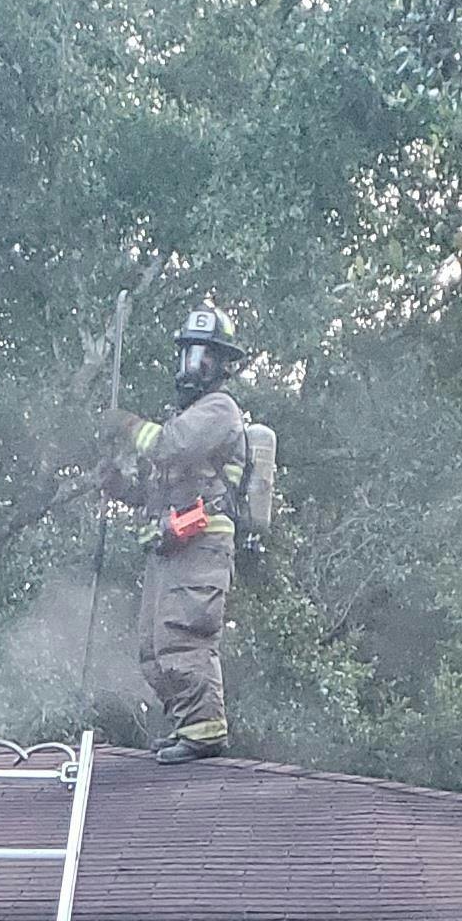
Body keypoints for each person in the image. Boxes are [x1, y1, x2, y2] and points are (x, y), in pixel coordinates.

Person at [103, 304, 264, 764]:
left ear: (221, 364)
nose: (192, 366)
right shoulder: (188, 415)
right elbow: (156, 491)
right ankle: (188, 725)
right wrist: (115, 484)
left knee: (183, 636)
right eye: (188, 355)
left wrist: (127, 425)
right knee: (153, 648)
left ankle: (207, 732)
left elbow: (169, 445)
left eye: (203, 357)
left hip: (202, 544)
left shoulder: (219, 410)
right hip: (173, 544)